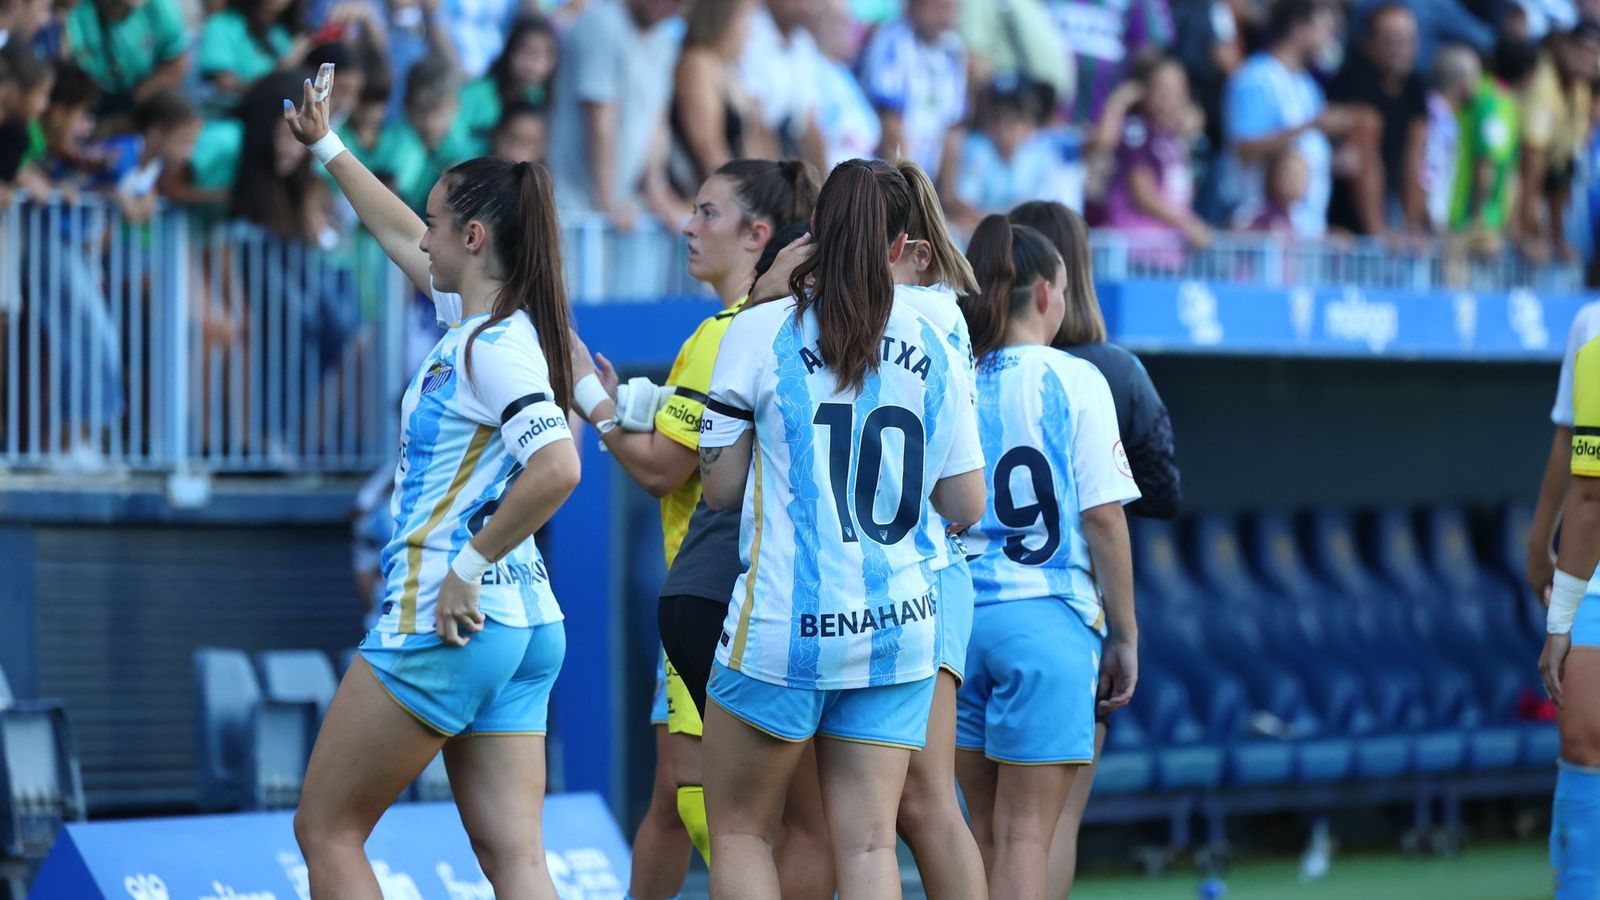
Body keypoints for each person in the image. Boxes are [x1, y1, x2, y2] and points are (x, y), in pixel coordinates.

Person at [283, 64, 583, 898]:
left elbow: (560, 466)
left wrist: (468, 563)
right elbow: (390, 228)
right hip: (523, 626)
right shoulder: (485, 322)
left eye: (439, 223)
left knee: (327, 830)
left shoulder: (491, 347)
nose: (424, 236)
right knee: (516, 859)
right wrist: (329, 146)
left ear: (476, 238)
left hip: (446, 614)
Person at [697, 159, 987, 899]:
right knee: (867, 847)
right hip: (898, 623)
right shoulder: (937, 333)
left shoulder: (760, 329)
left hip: (782, 626)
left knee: (739, 833)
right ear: (900, 243)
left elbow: (720, 489)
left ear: (816, 234)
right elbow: (965, 504)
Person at [571, 158, 821, 900]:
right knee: (673, 808)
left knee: (717, 810)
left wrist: (590, 396)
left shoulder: (728, 334)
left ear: (759, 234)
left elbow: (664, 470)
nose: (686, 225)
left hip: (720, 601)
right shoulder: (761, 328)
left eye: (707, 212)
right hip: (742, 595)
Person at [954, 215, 1140, 899]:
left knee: (979, 835)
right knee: (1029, 835)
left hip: (960, 623)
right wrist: (1125, 633)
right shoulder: (1076, 378)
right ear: (1045, 295)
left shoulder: (954, 374)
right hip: (1049, 621)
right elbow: (1103, 518)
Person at [1007, 199, 1180, 899]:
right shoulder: (1107, 370)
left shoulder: (972, 363)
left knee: (990, 829)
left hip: (975, 611)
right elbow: (1161, 493)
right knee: (1048, 828)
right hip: (1068, 617)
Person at [883, 157, 988, 900]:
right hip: (910, 573)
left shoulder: (925, 313)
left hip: (932, 569)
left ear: (912, 252)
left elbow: (964, 499)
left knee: (924, 802)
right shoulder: (927, 310)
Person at [1534, 300, 1600, 899]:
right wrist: (1562, 621)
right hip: (1598, 577)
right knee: (1584, 738)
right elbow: (1589, 494)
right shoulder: (1595, 338)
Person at [1221, 0, 1352, 237]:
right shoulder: (1256, 78)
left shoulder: (1308, 85)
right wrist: (1312, 125)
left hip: (1305, 232)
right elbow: (1245, 149)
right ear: (1299, 27)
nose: (1329, 40)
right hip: (1261, 234)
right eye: (1325, 29)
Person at [1325, 3, 1428, 237]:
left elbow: (1416, 159)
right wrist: (1377, 232)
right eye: (1391, 40)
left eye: (1407, 40)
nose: (1400, 49)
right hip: (1344, 218)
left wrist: (1412, 227)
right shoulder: (1354, 80)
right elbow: (1365, 154)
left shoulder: (1415, 86)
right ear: (1368, 44)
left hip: (1392, 208)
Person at [1102, 53, 1210, 251]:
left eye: (1179, 92)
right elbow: (1142, 193)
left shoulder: (1177, 140)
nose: (1170, 101)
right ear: (1143, 92)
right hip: (1137, 250)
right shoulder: (1136, 131)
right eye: (1163, 91)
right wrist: (1187, 223)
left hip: (1167, 252)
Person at [1516, 19, 1600, 262]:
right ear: (1565, 47)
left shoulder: (1580, 89)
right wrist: (1529, 230)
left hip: (1547, 176)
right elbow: (1530, 162)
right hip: (1513, 174)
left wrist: (1556, 237)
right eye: (1583, 51)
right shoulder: (1543, 82)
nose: (1589, 62)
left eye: (1594, 55)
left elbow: (1564, 167)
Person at [859, 0, 967, 186]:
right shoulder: (891, 40)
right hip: (886, 178)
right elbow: (890, 126)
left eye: (950, 9)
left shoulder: (954, 49)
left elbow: (953, 127)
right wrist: (906, 188)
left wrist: (945, 194)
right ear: (914, 6)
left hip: (927, 178)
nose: (945, 16)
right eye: (938, 8)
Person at [669, 0, 768, 196]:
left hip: (730, 195)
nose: (751, 30)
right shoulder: (697, 64)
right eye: (745, 17)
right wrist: (744, 201)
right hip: (698, 199)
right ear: (722, 18)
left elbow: (752, 148)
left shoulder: (731, 69)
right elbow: (709, 152)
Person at [62, 0, 189, 126]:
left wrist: (131, 103)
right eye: (119, 4)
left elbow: (175, 63)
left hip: (135, 96)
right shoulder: (75, 9)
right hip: (83, 97)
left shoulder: (159, 7)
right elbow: (62, 65)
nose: (128, 11)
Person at [447, 16, 556, 160]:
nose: (531, 64)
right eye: (525, 51)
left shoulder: (539, 99)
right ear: (509, 51)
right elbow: (450, 142)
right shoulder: (475, 93)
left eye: (542, 55)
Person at [197, 0, 313, 113]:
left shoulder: (287, 32)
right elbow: (226, 86)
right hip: (234, 119)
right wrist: (281, 69)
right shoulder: (223, 25)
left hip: (280, 118)